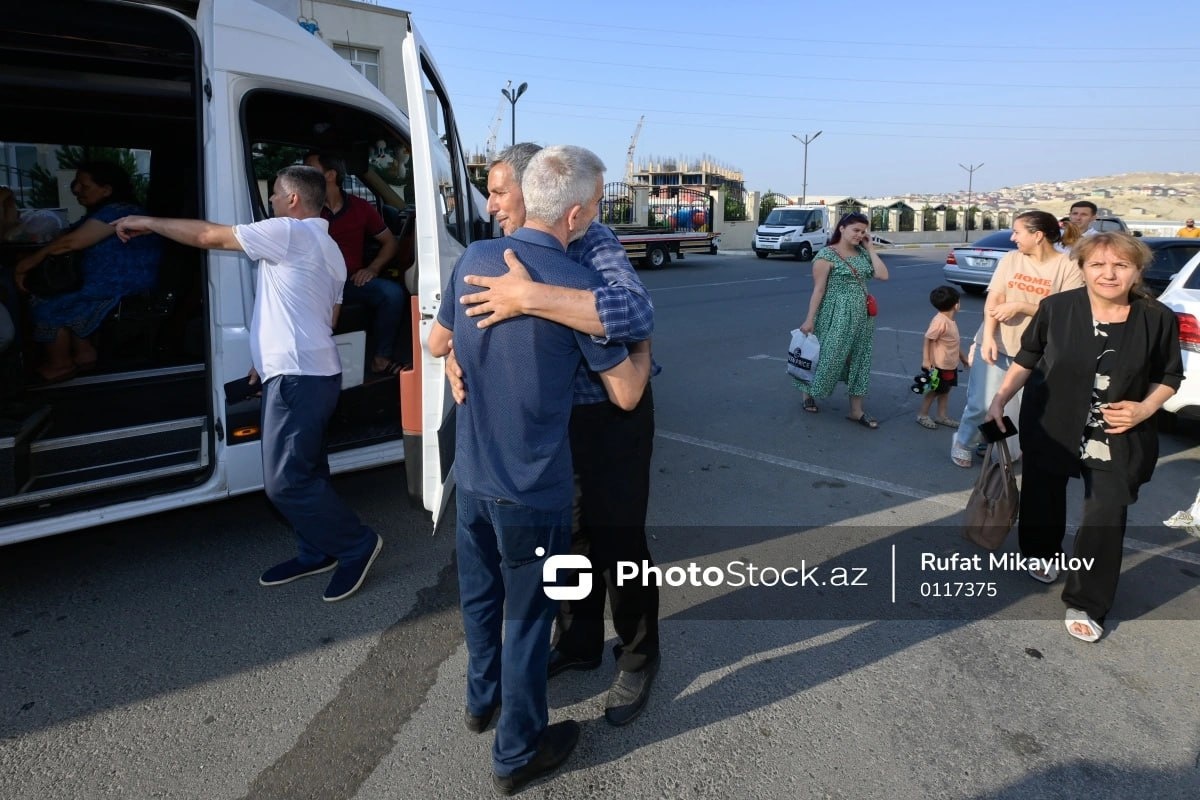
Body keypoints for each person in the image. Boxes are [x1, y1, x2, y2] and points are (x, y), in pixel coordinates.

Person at [427, 145, 652, 795]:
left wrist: (507, 318)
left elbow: (437, 342)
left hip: (490, 468)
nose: (493, 203)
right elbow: (628, 390)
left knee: (493, 593)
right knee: (535, 605)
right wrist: (640, 346)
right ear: (573, 211)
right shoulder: (566, 281)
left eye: (501, 191)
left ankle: (488, 698)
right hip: (536, 472)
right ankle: (522, 741)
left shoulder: (485, 259)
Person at [112, 166, 383, 602]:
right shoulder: (330, 247)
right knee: (308, 471)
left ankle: (357, 544)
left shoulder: (288, 231)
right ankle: (316, 551)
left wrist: (147, 221)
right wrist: (264, 356)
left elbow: (208, 236)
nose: (270, 201)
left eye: (274, 194)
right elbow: (326, 317)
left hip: (298, 375)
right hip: (313, 372)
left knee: (285, 483)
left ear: (293, 200)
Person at [984, 232, 1183, 642]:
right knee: (1043, 490)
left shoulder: (1158, 317)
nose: (1108, 274)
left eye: (1120, 265)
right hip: (1052, 420)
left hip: (1118, 429)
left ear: (1137, 271)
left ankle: (1088, 600)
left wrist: (1145, 409)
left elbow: (1169, 375)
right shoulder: (1056, 307)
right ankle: (1042, 551)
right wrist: (1000, 399)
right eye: (1097, 265)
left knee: (1106, 512)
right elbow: (1028, 357)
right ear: (1083, 268)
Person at [949, 210, 1085, 468]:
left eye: (1017, 232)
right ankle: (962, 442)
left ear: (1038, 235)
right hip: (997, 342)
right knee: (981, 403)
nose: (1013, 238)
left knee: (1014, 407)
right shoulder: (1011, 259)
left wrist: (1021, 306)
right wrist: (988, 337)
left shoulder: (1069, 266)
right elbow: (995, 298)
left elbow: (1063, 312)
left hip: (1034, 351)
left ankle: (989, 442)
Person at [14, 161, 162, 383]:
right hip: (104, 279)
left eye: (84, 185)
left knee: (46, 301)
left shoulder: (120, 212)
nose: (76, 189)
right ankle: (84, 355)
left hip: (119, 282)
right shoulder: (104, 211)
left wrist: (25, 265)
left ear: (106, 190)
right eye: (75, 183)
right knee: (62, 291)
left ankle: (60, 365)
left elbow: (72, 242)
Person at [303, 152, 407, 376]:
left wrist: (372, 268)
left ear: (330, 175)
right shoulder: (306, 209)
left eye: (310, 168)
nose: (304, 174)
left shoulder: (360, 207)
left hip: (350, 282)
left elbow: (390, 242)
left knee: (392, 293)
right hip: (316, 285)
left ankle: (381, 359)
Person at [794, 211, 889, 428]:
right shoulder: (826, 255)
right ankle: (807, 392)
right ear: (842, 228)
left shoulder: (862, 253)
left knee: (860, 360)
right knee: (828, 356)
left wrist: (871, 249)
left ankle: (856, 410)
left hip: (862, 316)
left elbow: (883, 275)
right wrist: (809, 319)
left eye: (863, 231)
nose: (860, 235)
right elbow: (818, 290)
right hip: (835, 314)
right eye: (856, 230)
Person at [916, 285, 969, 430]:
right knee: (934, 391)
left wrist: (963, 358)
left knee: (945, 390)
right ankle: (922, 415)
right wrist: (926, 360)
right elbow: (928, 338)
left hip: (950, 365)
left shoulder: (949, 320)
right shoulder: (940, 321)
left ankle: (941, 416)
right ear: (956, 305)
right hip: (939, 365)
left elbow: (953, 343)